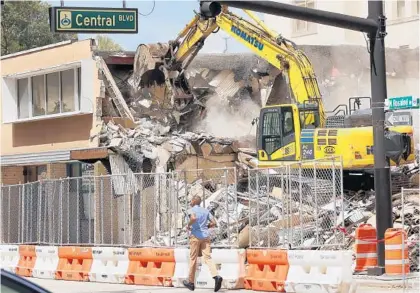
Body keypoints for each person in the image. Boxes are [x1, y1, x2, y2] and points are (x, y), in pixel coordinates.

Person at [183, 195, 223, 292]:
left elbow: (193, 218)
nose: (190, 202)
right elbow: (213, 222)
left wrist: (188, 225)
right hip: (205, 236)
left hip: (195, 236)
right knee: (208, 257)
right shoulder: (205, 211)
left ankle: (191, 282)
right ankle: (216, 276)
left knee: (193, 258)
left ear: (193, 201)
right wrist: (206, 227)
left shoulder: (191, 210)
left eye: (191, 200)